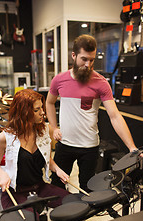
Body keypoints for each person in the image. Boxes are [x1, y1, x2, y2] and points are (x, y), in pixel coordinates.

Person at [46, 34, 139, 193]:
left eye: (92, 60)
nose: (88, 64)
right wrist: (54, 128)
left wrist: (132, 148)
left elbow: (114, 116)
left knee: (88, 191)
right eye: (84, 59)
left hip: (89, 147)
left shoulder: (101, 83)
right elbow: (49, 102)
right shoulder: (59, 80)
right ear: (73, 56)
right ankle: (61, 219)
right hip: (65, 145)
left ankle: (81, 219)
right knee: (57, 188)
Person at [0, 89, 81, 221]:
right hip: (15, 192)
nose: (43, 113)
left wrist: (57, 170)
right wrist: (2, 174)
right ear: (24, 112)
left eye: (42, 109)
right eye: (37, 110)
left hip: (39, 187)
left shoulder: (44, 130)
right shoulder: (5, 137)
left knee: (77, 208)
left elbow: (46, 158)